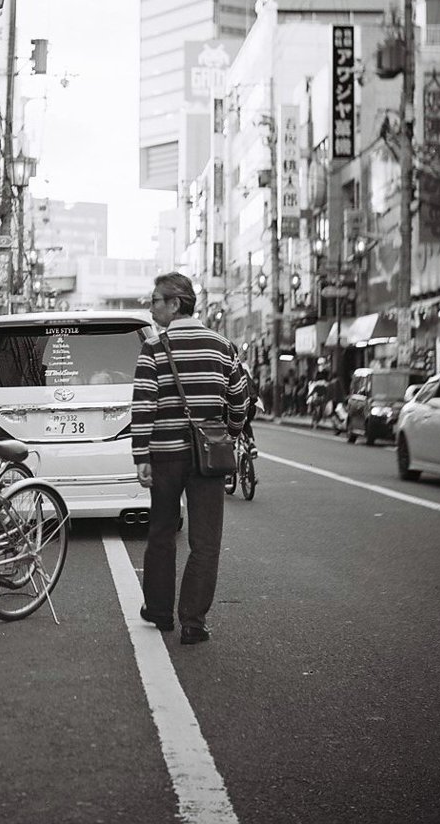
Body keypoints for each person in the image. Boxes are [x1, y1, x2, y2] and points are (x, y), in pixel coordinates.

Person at [132, 272, 248, 646]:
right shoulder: (222, 346)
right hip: (207, 460)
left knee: (162, 533)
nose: (151, 308)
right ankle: (193, 622)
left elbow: (144, 403)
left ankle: (160, 612)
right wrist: (227, 433)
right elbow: (239, 401)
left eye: (156, 301)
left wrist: (141, 454)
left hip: (164, 456)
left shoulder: (153, 348)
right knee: (205, 542)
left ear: (176, 303)